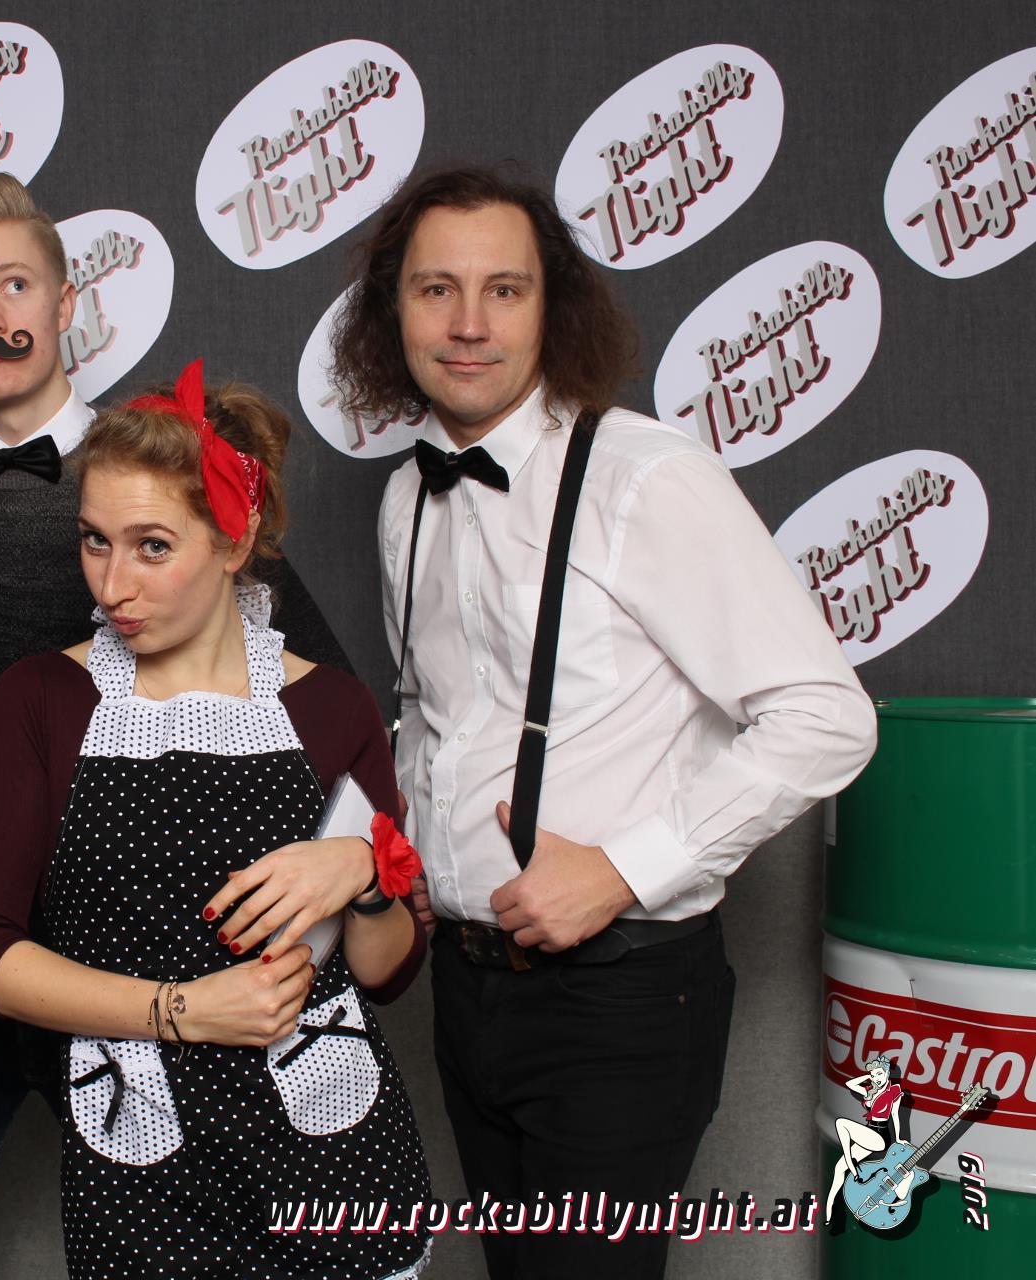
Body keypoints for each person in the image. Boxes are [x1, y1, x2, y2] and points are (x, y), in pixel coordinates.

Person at [328, 165, 878, 1279]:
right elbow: (431, 712)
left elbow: (826, 716)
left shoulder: (645, 478)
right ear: (393, 313)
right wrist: (391, 860)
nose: (468, 323)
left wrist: (623, 868)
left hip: (619, 997)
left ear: (553, 308)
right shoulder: (405, 497)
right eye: (435, 289)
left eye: (504, 289)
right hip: (463, 990)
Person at [0, 171, 350, 1279]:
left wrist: (350, 858)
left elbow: (329, 709)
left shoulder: (161, 473)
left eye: (14, 285)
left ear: (68, 302)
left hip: (160, 960)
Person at [0, 363, 432, 1280]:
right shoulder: (44, 698)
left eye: (152, 547)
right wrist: (179, 1011)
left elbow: (388, 973)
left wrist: (364, 874)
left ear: (233, 539)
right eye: (94, 540)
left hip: (333, 1158)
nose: (112, 584)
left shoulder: (333, 707)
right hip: (143, 1174)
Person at [825, 1056, 905, 1224]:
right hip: (869, 1133)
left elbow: (895, 1116)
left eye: (879, 1074)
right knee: (839, 1168)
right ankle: (830, 1212)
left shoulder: (894, 1091)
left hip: (880, 1135)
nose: (876, 1078)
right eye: (874, 1075)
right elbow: (850, 1084)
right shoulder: (870, 1090)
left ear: (887, 1073)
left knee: (841, 1123)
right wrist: (868, 1076)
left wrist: (898, 1138)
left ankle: (851, 1164)